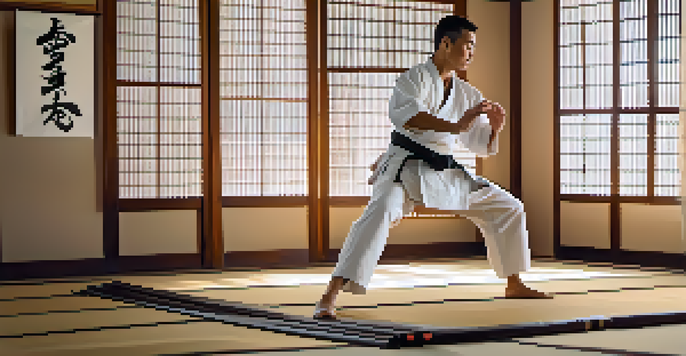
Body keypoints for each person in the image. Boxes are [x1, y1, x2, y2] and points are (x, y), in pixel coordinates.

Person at [314, 15, 551, 319]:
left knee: (509, 207)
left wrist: (494, 128)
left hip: (443, 171)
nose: (471, 53)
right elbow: (409, 117)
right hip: (404, 167)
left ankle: (513, 282)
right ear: (446, 43)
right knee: (379, 211)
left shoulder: (467, 93)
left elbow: (477, 143)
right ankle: (330, 294)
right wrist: (456, 125)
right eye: (468, 45)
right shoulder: (413, 78)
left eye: (473, 47)